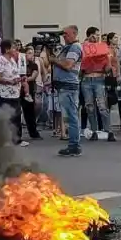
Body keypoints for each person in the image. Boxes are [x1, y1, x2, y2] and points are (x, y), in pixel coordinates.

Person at [52, 25, 84, 157]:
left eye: (66, 34)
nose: (64, 36)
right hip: (65, 86)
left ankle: (74, 146)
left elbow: (68, 65)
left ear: (74, 34)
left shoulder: (75, 47)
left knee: (71, 117)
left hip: (68, 86)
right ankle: (73, 145)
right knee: (70, 116)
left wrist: (54, 60)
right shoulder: (68, 47)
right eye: (63, 34)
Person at [0, 39, 29, 147]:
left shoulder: (12, 60)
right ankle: (5, 140)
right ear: (7, 49)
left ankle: (17, 139)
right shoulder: (0, 61)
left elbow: (15, 74)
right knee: (7, 117)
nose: (15, 49)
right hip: (4, 94)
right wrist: (8, 81)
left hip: (15, 93)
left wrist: (20, 79)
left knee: (17, 116)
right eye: (13, 47)